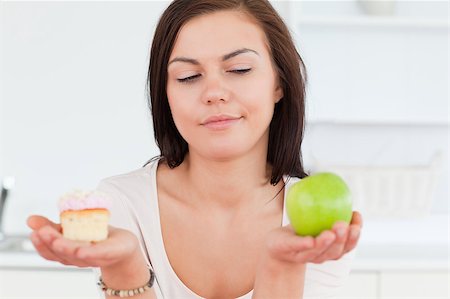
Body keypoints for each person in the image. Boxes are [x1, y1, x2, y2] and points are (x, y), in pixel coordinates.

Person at [27, 0, 363, 298]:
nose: (214, 93)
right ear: (166, 95)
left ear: (279, 83)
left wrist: (281, 264)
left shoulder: (318, 224)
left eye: (239, 69)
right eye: (188, 76)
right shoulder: (124, 205)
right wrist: (125, 266)